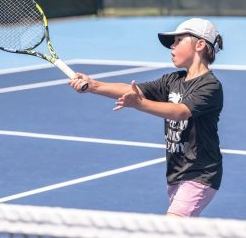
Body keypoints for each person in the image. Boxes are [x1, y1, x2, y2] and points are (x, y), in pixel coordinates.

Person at [69, 18, 224, 217]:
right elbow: (133, 90)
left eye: (178, 41)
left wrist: (139, 104)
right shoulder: (172, 80)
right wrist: (93, 85)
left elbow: (181, 112)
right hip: (177, 174)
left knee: (170, 229)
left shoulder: (210, 86)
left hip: (200, 174)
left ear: (200, 44)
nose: (172, 47)